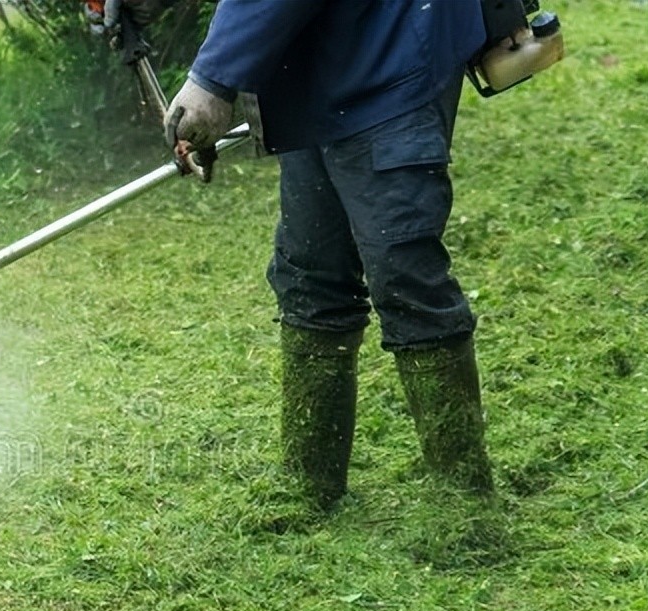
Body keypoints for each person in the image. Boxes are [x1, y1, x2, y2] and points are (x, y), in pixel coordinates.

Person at [107, 0, 495, 511]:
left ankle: (464, 500)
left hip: (391, 45)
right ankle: (309, 483)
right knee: (311, 271)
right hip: (317, 56)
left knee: (402, 270)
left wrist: (213, 78)